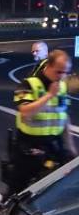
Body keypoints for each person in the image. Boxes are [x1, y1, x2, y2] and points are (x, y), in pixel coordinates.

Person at [6, 49, 75, 199]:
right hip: (29, 146)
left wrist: (70, 148)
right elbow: (25, 111)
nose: (62, 76)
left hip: (53, 145)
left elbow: (63, 117)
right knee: (16, 190)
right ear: (48, 66)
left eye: (65, 72)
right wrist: (49, 95)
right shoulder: (29, 84)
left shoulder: (61, 86)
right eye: (59, 72)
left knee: (54, 192)